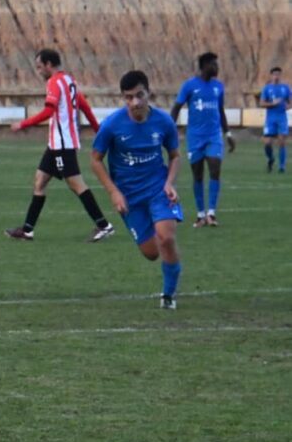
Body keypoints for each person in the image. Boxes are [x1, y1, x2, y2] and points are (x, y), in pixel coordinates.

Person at [88, 71, 185, 310]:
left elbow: (175, 156)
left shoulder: (163, 121)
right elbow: (95, 160)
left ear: (148, 93)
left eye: (140, 95)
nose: (135, 102)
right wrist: (113, 192)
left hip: (158, 189)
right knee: (151, 252)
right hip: (129, 197)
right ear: (123, 98)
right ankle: (157, 246)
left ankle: (168, 295)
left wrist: (169, 182)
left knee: (167, 238)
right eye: (129, 97)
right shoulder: (112, 125)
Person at [5, 49, 114, 242]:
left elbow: (48, 111)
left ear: (49, 64)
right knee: (39, 181)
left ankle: (104, 225)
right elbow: (85, 106)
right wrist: (99, 131)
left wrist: (23, 124)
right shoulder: (69, 81)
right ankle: (27, 230)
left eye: (39, 67)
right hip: (56, 143)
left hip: (63, 144)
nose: (38, 71)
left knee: (76, 184)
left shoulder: (54, 82)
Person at [171, 51, 234, 226]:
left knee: (215, 169)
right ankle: (200, 214)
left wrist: (227, 134)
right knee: (197, 175)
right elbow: (176, 108)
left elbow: (220, 111)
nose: (217, 67)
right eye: (214, 64)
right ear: (204, 66)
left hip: (214, 136)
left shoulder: (218, 87)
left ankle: (211, 213)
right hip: (195, 137)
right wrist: (169, 130)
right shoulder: (189, 86)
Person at [260, 66, 288, 174]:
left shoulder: (285, 88)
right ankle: (271, 158)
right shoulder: (267, 88)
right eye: (275, 74)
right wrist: (272, 103)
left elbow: (290, 102)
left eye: (278, 74)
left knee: (281, 142)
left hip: (281, 118)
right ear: (271, 75)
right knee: (267, 143)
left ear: (280, 75)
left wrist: (288, 106)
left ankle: (282, 166)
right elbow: (262, 103)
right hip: (270, 119)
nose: (276, 76)